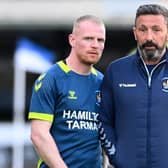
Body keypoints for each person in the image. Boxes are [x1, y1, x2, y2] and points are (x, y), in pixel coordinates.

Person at [28, 15, 106, 168]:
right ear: (72, 40)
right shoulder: (51, 79)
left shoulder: (103, 83)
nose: (95, 45)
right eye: (88, 38)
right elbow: (38, 135)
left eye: (100, 40)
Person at [98, 4, 168, 168]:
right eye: (143, 30)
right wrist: (116, 156)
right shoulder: (116, 70)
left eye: (156, 29)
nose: (149, 37)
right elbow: (103, 119)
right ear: (135, 33)